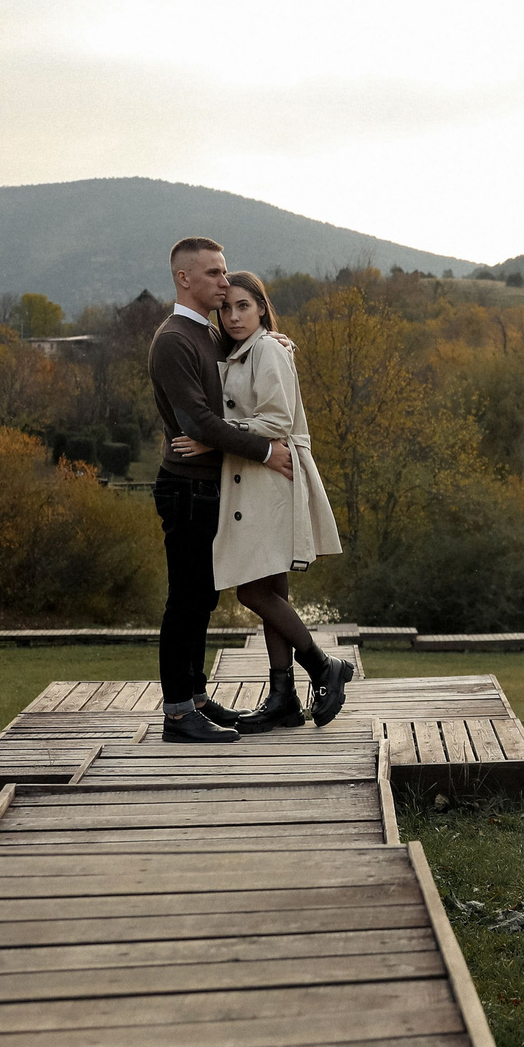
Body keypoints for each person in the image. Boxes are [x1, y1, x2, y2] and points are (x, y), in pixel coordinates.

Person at [171, 271, 349, 731]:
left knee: (252, 589)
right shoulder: (243, 351)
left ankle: (323, 666)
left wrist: (212, 441)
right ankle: (283, 696)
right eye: (226, 308)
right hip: (255, 477)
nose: (232, 316)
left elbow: (275, 419)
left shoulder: (266, 349)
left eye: (243, 306)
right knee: (271, 591)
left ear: (262, 308)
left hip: (271, 479)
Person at [147, 237, 295, 743]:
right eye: (213, 273)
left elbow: (250, 360)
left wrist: (277, 341)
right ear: (184, 279)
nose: (224, 282)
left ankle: (198, 698)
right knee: (185, 600)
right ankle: (176, 714)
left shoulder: (210, 335)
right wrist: (264, 451)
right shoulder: (174, 340)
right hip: (185, 489)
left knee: (204, 600)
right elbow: (199, 422)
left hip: (213, 489)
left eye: (225, 272)